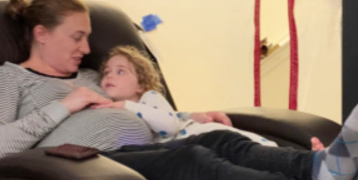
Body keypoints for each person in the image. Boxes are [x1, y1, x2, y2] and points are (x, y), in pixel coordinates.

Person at [0, 0, 358, 180]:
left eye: (88, 37)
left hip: (135, 154)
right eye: (76, 37)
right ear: (42, 34)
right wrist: (67, 104)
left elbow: (147, 108)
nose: (87, 48)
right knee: (192, 160)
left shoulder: (90, 77)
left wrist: (192, 116)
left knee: (221, 141)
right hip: (84, 172)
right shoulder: (6, 78)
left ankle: (323, 170)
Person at [96, 45, 278, 146]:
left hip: (200, 132)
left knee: (255, 148)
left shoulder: (149, 97)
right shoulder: (116, 111)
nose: (110, 75)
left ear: (141, 84)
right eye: (106, 72)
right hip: (193, 148)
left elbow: (169, 124)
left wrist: (127, 106)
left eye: (120, 72)